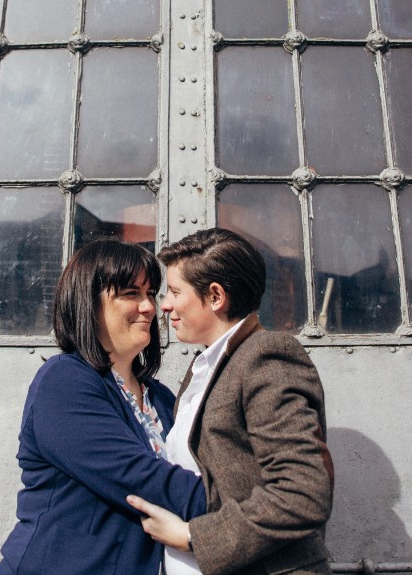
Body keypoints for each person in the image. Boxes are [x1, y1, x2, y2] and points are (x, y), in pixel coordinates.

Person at [128, 228, 334, 575]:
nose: (164, 305)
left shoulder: (265, 356)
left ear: (215, 296)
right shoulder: (207, 366)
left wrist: (194, 537)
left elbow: (303, 491)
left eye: (176, 292)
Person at [0, 240, 205, 575]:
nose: (150, 307)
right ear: (88, 303)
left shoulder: (161, 399)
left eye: (150, 293)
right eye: (131, 293)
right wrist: (250, 511)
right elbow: (141, 479)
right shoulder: (63, 382)